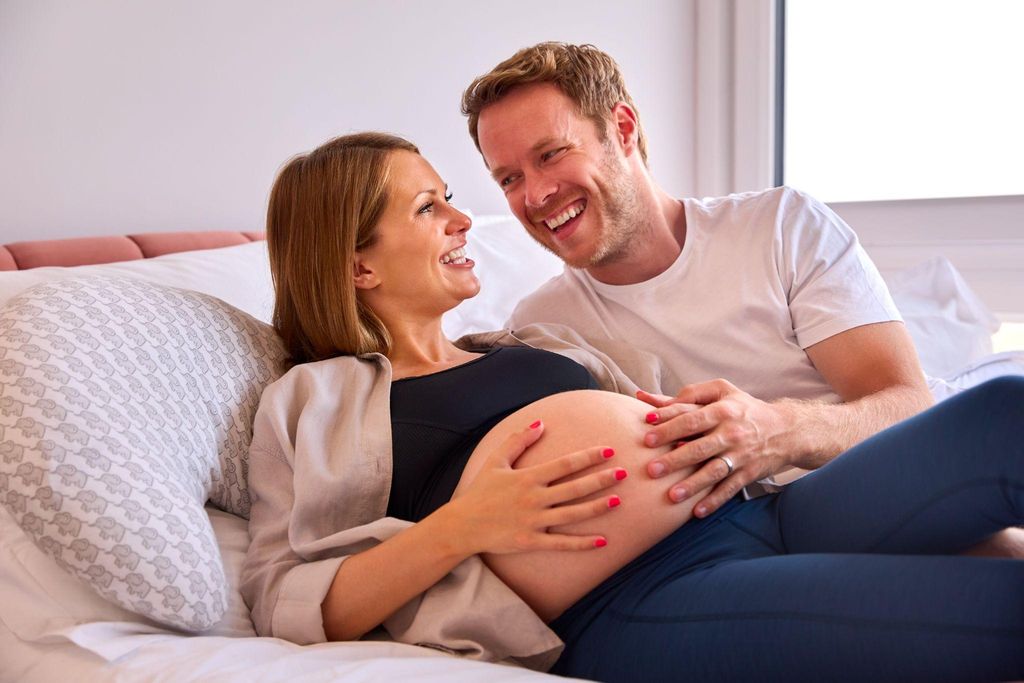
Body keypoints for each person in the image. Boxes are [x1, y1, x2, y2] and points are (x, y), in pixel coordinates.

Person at [240, 131, 1024, 682]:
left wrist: (721, 426)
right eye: (425, 209)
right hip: (632, 601)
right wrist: (462, 525)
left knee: (1003, 409)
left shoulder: (525, 338)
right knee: (1001, 608)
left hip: (754, 510)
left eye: (450, 199)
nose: (461, 218)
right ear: (358, 264)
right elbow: (286, 599)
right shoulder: (313, 400)